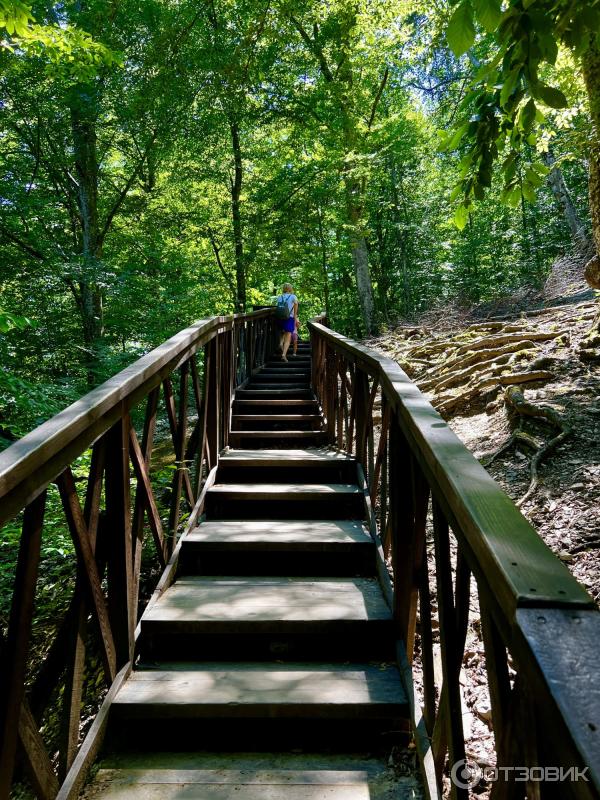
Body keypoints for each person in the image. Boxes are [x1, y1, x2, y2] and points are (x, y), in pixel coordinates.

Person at [275, 282, 298, 361]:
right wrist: (295, 319)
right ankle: (284, 355)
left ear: (284, 289)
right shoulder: (293, 297)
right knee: (288, 337)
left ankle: (281, 343)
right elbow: (295, 311)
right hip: (289, 318)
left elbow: (277, 307)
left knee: (282, 333)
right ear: (290, 288)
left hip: (279, 318)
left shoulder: (279, 297)